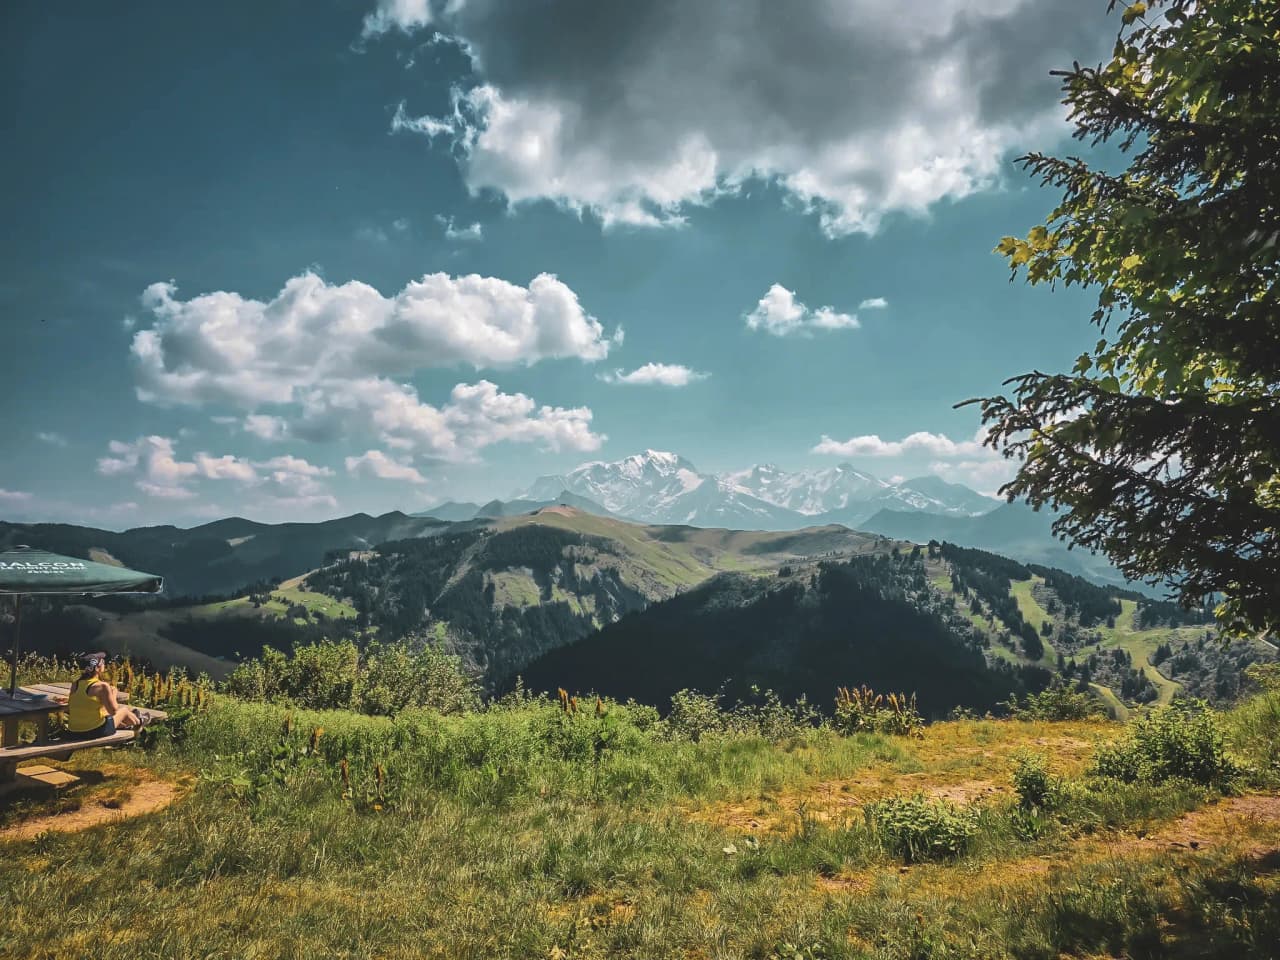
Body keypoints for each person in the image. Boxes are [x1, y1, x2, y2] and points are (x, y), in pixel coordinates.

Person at [66, 652, 149, 739]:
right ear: (97, 668)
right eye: (102, 662)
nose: (104, 664)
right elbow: (113, 711)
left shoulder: (75, 684)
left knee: (106, 716)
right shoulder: (102, 686)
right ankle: (140, 722)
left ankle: (129, 724)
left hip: (74, 732)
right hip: (94, 732)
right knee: (124, 711)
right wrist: (113, 693)